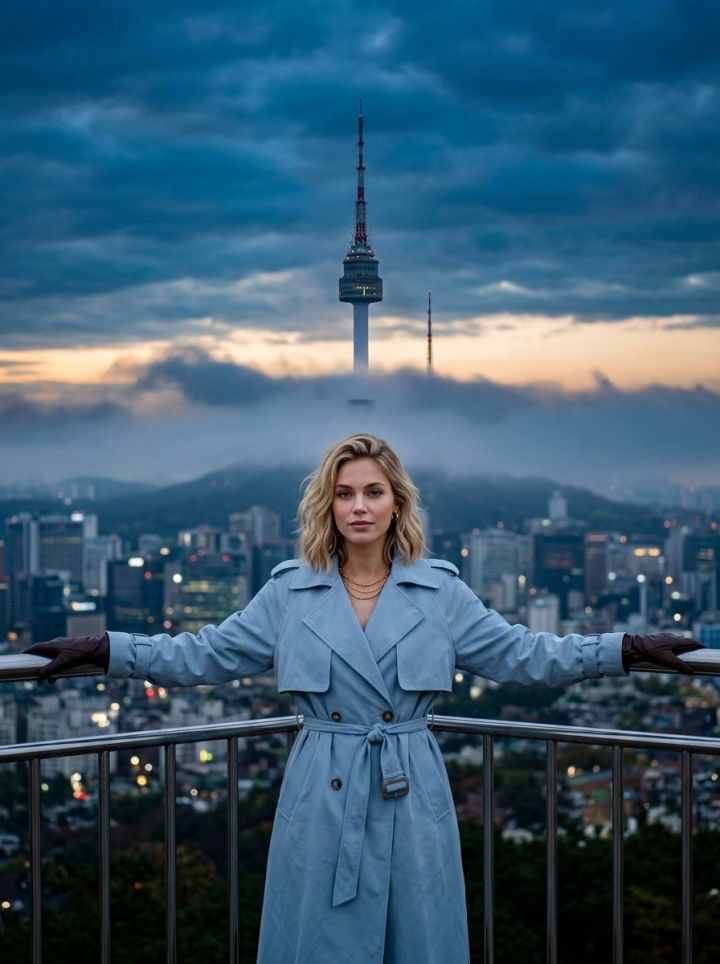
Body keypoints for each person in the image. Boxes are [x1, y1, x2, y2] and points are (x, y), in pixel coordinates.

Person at [25, 433, 703, 963]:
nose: (358, 507)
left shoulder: (441, 591)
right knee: (321, 939)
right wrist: (107, 650)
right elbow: (204, 655)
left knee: (417, 935)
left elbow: (527, 654)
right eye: (344, 493)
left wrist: (624, 649)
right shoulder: (291, 589)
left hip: (411, 790)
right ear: (327, 505)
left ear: (397, 504)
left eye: (373, 492)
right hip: (322, 786)